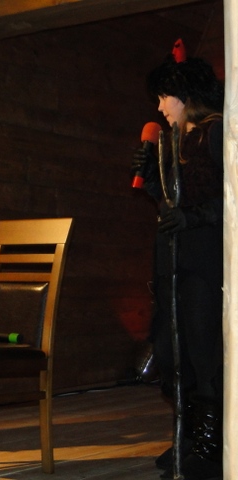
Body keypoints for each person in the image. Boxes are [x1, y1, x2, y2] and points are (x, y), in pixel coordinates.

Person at [131, 39, 224, 480]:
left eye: (164, 97)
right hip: (173, 262)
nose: (160, 108)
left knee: (204, 354)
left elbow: (230, 198)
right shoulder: (172, 142)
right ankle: (187, 437)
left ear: (185, 96)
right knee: (172, 353)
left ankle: (209, 447)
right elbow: (170, 204)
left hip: (204, 259)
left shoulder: (216, 134)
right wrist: (153, 178)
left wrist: (195, 216)